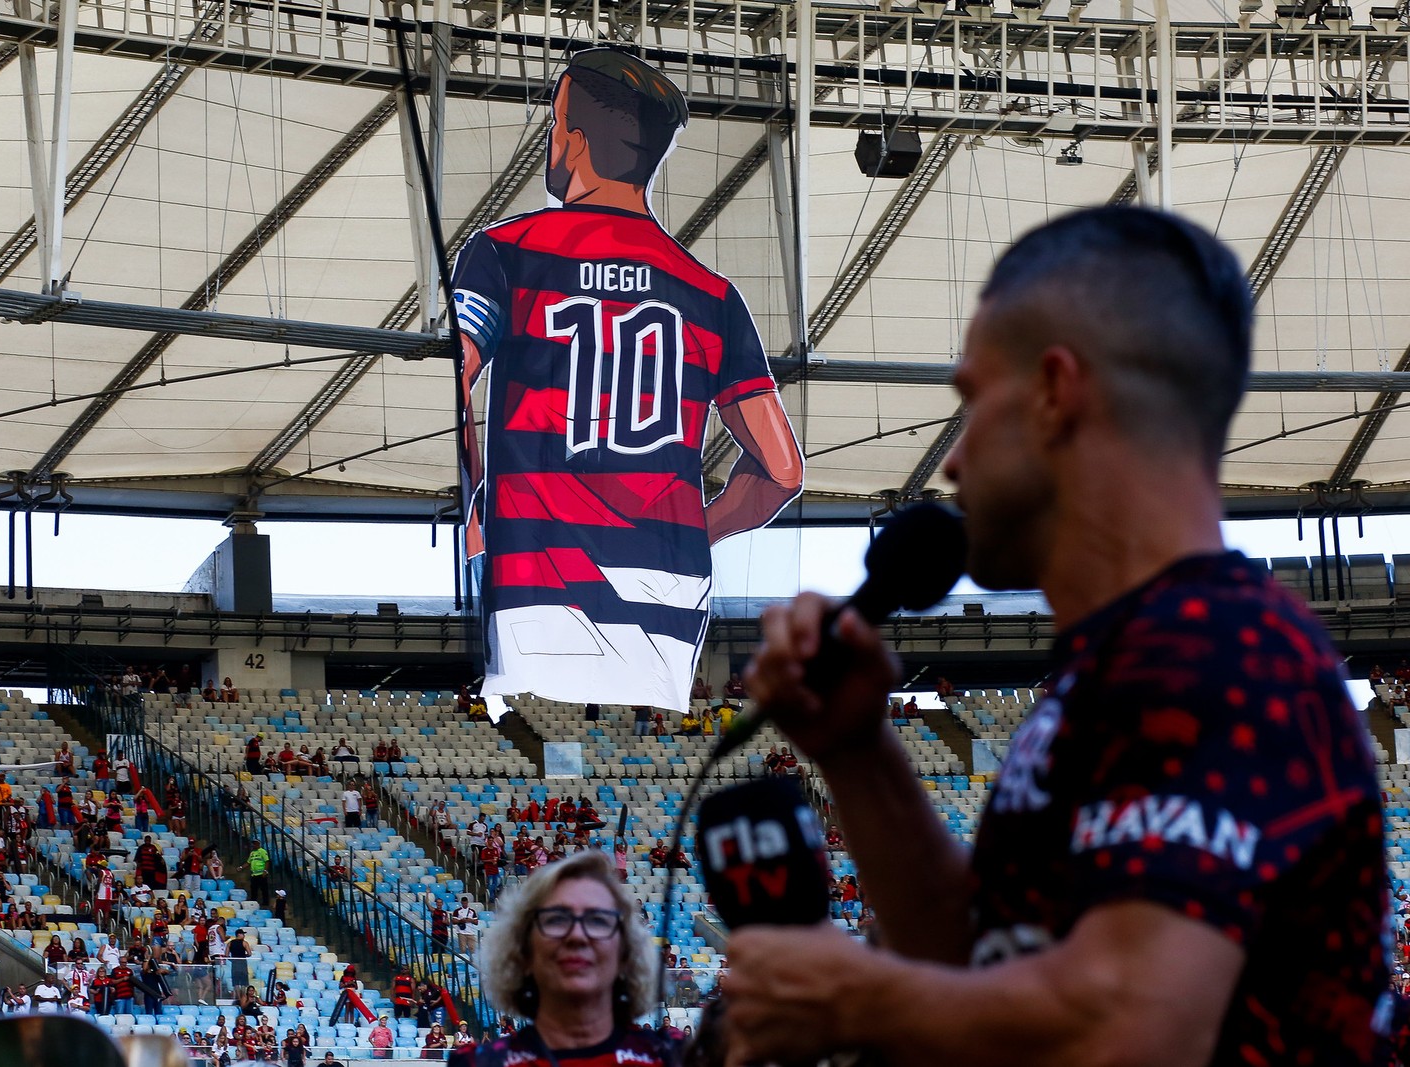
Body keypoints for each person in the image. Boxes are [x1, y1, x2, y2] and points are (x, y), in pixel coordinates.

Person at [720, 208, 1392, 1067]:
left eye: (971, 402)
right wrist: (858, 752)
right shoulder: (1123, 666)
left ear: (1053, 391)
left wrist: (851, 993)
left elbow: (1131, 1034)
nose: (953, 460)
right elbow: (978, 972)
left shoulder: (1219, 650)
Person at [451, 47, 803, 713]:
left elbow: (456, 381)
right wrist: (701, 528)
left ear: (576, 141)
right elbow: (782, 470)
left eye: (555, 125)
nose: (551, 142)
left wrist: (476, 514)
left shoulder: (505, 254)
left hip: (539, 574)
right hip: (668, 591)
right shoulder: (712, 297)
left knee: (539, 729)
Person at [452, 850, 672, 1067]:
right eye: (556, 919)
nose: (577, 936)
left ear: (625, 955)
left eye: (597, 920)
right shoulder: (479, 1063)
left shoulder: (673, 1056)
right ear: (522, 953)